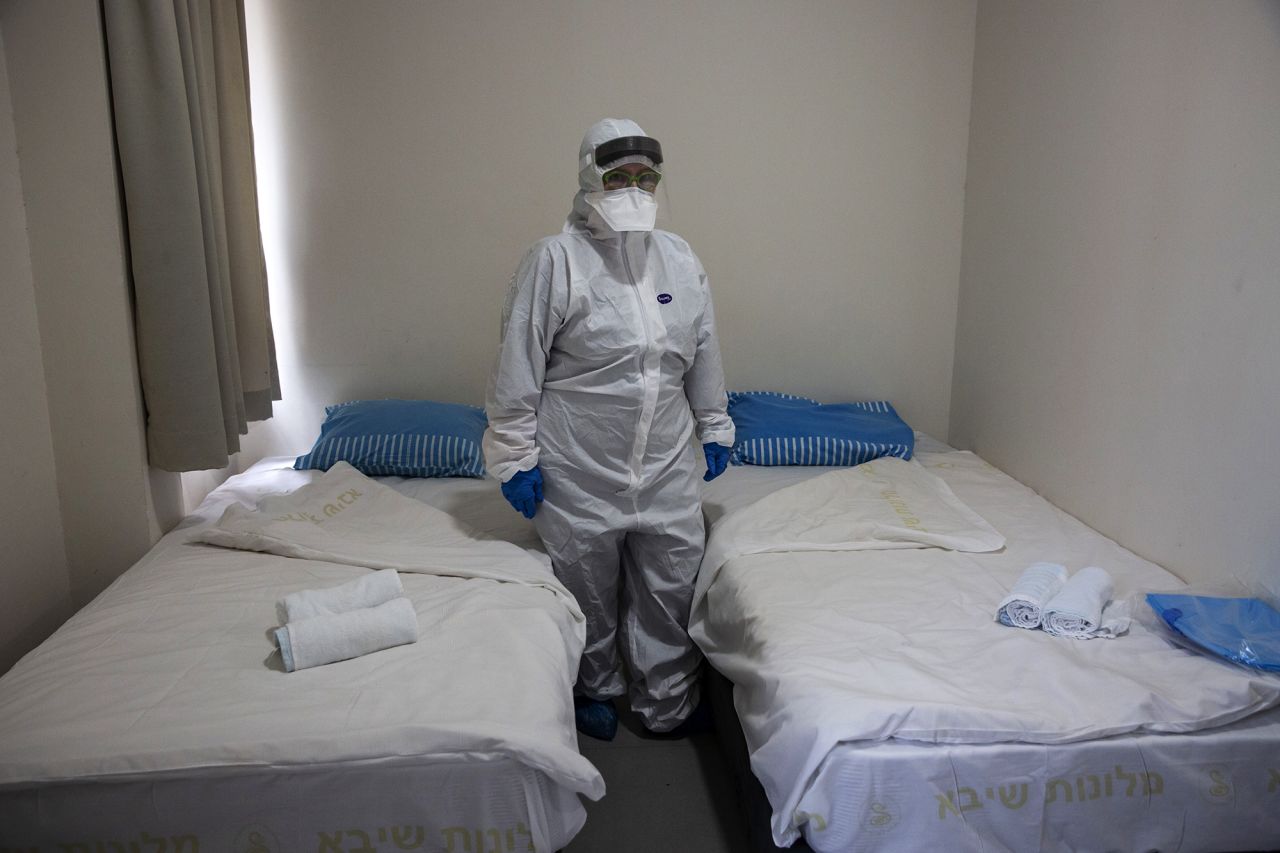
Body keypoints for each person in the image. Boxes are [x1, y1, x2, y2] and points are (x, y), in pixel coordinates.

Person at [483, 118, 734, 740]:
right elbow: (519, 364)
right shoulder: (555, 259)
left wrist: (716, 423)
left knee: (670, 584)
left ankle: (667, 699)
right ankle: (594, 686)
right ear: (589, 176)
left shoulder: (677, 256)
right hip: (579, 464)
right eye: (619, 176)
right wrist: (514, 454)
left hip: (667, 462)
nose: (634, 188)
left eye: (646, 177)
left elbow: (702, 350)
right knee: (587, 585)